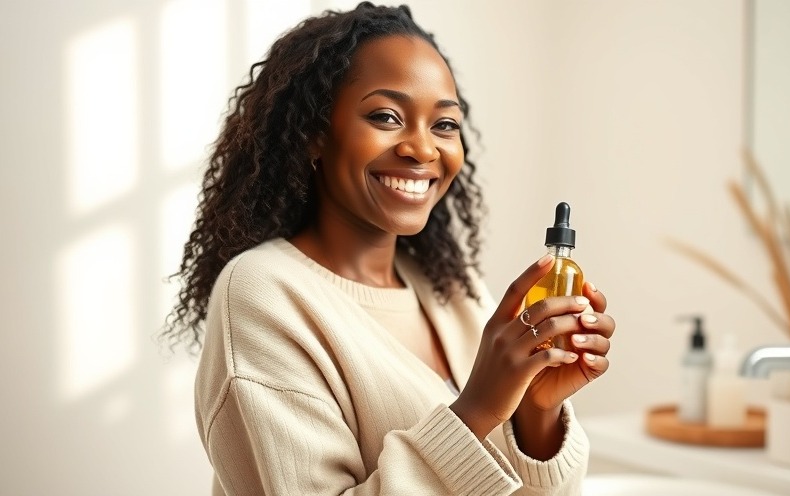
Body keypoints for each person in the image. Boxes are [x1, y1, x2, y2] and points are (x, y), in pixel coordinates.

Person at [164, 3, 615, 494]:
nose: (422, 149)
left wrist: (536, 410)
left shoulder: (446, 286)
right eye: (386, 116)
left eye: (444, 125)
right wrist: (479, 408)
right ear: (314, 135)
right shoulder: (263, 294)